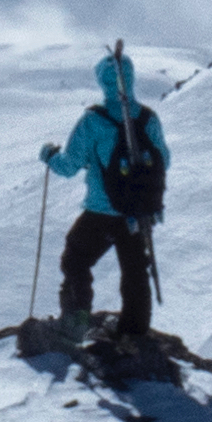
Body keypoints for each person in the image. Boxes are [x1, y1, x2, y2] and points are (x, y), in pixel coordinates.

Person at [44, 44, 167, 339]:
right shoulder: (148, 119)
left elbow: (69, 165)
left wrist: (48, 156)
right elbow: (165, 160)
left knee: (75, 260)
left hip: (100, 210)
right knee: (135, 272)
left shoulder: (94, 121)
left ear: (102, 81)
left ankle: (75, 322)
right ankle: (134, 332)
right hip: (138, 214)